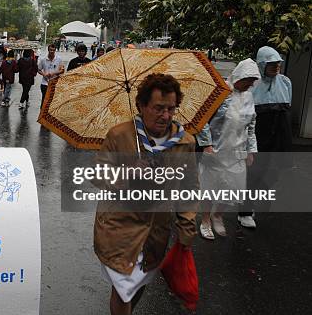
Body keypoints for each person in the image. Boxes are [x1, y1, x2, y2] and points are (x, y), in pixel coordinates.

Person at [94, 73, 198, 315]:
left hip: (155, 231)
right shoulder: (119, 135)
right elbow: (97, 175)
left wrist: (186, 227)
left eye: (171, 109)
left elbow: (189, 188)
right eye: (158, 108)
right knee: (122, 289)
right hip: (119, 228)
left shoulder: (185, 142)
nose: (166, 116)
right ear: (141, 106)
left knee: (138, 284)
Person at [196, 59, 261, 240]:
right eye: (248, 79)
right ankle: (206, 220)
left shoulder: (248, 96)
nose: (250, 84)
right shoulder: (220, 92)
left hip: (237, 151)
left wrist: (251, 149)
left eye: (253, 80)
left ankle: (218, 216)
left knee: (232, 187)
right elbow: (203, 120)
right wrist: (206, 145)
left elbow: (251, 124)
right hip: (216, 149)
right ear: (239, 75)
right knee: (210, 187)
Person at [238, 46, 293, 228]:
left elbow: (287, 110)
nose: (276, 66)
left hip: (280, 135)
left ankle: (254, 202)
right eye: (271, 63)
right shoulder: (253, 86)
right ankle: (245, 211)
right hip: (259, 133)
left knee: (273, 172)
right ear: (262, 64)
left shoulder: (286, 83)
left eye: (278, 63)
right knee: (253, 173)